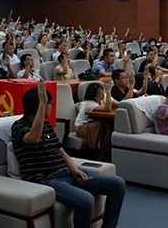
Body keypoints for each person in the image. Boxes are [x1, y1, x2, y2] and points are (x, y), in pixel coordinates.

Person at [11, 80, 126, 228]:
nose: (52, 106)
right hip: (46, 179)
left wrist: (74, 169)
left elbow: (61, 151)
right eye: (50, 104)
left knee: (118, 184)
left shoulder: (47, 125)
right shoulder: (18, 126)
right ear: (39, 105)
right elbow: (33, 138)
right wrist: (42, 103)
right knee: (86, 200)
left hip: (65, 172)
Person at [74, 81, 117, 149]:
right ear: (94, 96)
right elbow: (107, 108)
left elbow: (119, 104)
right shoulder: (89, 104)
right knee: (103, 124)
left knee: (109, 122)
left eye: (103, 92)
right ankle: (101, 149)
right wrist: (109, 91)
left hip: (93, 123)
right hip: (81, 127)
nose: (103, 95)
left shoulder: (103, 97)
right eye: (100, 94)